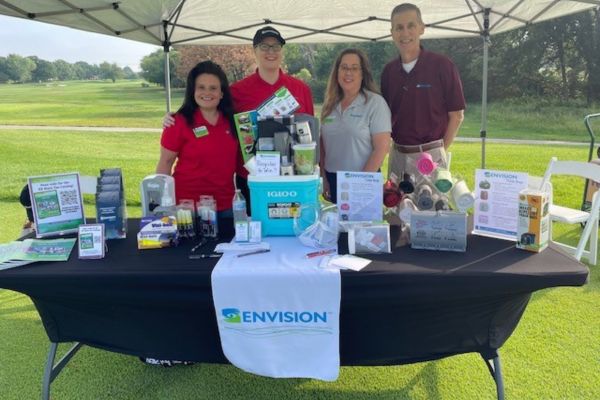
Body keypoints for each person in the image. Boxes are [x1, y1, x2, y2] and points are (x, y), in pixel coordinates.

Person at [163, 26, 315, 208]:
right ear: (255, 51)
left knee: (295, 224)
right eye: (264, 46)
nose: (270, 52)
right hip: (251, 178)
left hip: (294, 176)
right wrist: (173, 118)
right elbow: (208, 109)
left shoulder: (301, 89)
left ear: (282, 51)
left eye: (276, 46)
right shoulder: (237, 91)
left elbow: (311, 135)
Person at [381, 3, 465, 178]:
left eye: (411, 26)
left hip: (431, 155)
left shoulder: (442, 65)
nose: (405, 33)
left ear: (422, 28)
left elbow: (457, 115)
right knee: (395, 197)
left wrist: (438, 152)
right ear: (392, 33)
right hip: (398, 155)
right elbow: (385, 117)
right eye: (399, 28)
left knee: (432, 197)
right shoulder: (389, 72)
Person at [157, 60, 241, 215]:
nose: (207, 93)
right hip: (186, 207)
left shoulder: (235, 121)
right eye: (201, 87)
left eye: (213, 88)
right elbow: (165, 163)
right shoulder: (178, 122)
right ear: (193, 91)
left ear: (222, 93)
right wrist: (162, 206)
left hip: (225, 205)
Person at [319, 49, 391, 202]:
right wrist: (323, 177)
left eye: (354, 68)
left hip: (364, 180)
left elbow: (382, 148)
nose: (348, 72)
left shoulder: (375, 103)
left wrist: (359, 185)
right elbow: (323, 145)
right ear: (337, 72)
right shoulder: (329, 105)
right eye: (344, 67)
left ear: (363, 74)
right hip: (333, 179)